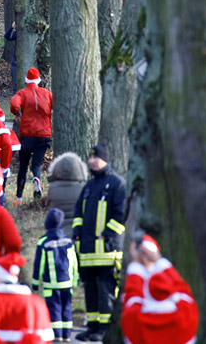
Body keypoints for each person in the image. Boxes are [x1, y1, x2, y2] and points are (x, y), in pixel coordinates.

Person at [73, 144, 126, 342]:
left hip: (107, 250)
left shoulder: (117, 184)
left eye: (97, 158)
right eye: (91, 158)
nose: (93, 161)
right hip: (87, 252)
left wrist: (107, 234)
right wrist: (77, 231)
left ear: (106, 159)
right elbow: (79, 212)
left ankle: (105, 329)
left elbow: (121, 214)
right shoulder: (88, 186)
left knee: (106, 292)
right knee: (90, 292)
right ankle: (92, 326)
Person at [120, 234, 199, 344]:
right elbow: (184, 291)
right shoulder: (185, 318)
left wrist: (135, 265)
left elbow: (132, 297)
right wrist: (160, 261)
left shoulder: (136, 321)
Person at [32, 208, 78, 343]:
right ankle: (67, 335)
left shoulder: (43, 242)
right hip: (67, 282)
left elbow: (39, 264)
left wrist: (35, 282)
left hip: (50, 284)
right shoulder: (68, 242)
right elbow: (74, 261)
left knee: (54, 308)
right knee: (67, 307)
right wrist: (75, 279)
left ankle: (56, 335)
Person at [9, 68, 53, 204]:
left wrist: (16, 113)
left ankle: (19, 198)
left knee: (23, 166)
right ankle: (37, 179)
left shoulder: (22, 93)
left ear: (26, 80)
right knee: (37, 164)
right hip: (44, 134)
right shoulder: (47, 93)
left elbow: (14, 104)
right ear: (39, 80)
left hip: (27, 134)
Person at [44, 153, 88, 233]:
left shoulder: (53, 188)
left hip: (58, 229)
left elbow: (48, 205)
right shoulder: (83, 188)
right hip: (79, 229)